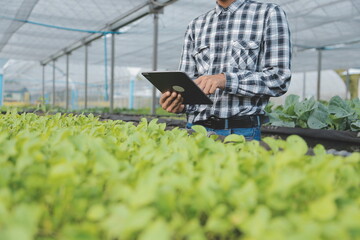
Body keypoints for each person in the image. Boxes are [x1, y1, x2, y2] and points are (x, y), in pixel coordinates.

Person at [159, 0, 291, 141]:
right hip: (196, 130)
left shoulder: (268, 13)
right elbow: (189, 85)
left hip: (241, 132)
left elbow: (279, 78)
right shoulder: (196, 25)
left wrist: (226, 80)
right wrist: (179, 104)